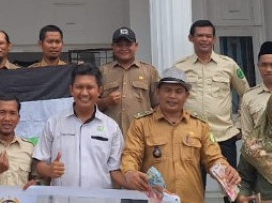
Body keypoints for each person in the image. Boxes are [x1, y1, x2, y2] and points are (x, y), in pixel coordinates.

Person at [122, 67, 241, 203]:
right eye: (167, 90)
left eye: (178, 91)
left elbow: (213, 158)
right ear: (158, 92)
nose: (172, 96)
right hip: (155, 200)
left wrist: (227, 171)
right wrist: (130, 172)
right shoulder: (141, 124)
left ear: (186, 95)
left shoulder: (200, 126)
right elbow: (131, 154)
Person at [175, 20, 249, 178]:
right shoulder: (180, 67)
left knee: (230, 186)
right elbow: (170, 98)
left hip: (223, 135)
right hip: (189, 137)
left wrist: (240, 125)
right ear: (191, 38)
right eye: (200, 35)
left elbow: (246, 94)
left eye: (208, 36)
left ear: (214, 39)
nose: (204, 39)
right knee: (193, 187)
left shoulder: (228, 65)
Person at [33, 63, 125, 189]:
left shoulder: (111, 128)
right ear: (71, 90)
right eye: (79, 87)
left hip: (100, 199)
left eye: (90, 87)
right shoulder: (54, 123)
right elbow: (39, 163)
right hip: (62, 199)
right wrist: (49, 170)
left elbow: (115, 170)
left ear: (99, 90)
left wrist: (133, 185)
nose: (84, 93)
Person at [97, 26, 160, 135]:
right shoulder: (102, 72)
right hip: (109, 135)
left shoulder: (149, 71)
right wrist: (106, 101)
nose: (123, 48)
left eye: (128, 44)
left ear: (136, 46)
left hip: (141, 135)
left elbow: (159, 105)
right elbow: (90, 105)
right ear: (112, 46)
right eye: (119, 45)